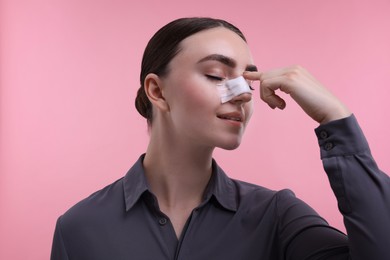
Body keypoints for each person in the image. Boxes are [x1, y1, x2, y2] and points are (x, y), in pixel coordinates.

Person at [51, 17, 390, 260]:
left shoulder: (277, 216)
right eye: (216, 75)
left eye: (249, 82)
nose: (243, 94)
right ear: (157, 90)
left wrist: (335, 118)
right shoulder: (79, 227)